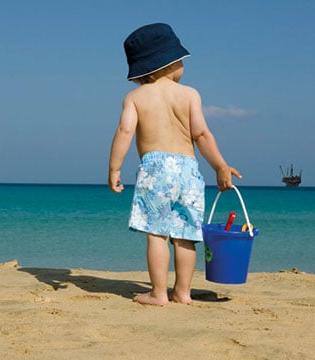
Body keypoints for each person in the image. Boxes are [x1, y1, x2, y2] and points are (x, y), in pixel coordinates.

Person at [108, 23, 241, 305]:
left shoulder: (135, 98)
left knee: (156, 234)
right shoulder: (190, 95)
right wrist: (220, 165)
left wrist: (114, 169)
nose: (183, 65)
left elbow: (124, 132)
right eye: (180, 60)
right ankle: (182, 292)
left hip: (155, 171)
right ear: (167, 63)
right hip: (189, 171)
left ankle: (158, 293)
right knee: (185, 236)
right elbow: (202, 135)